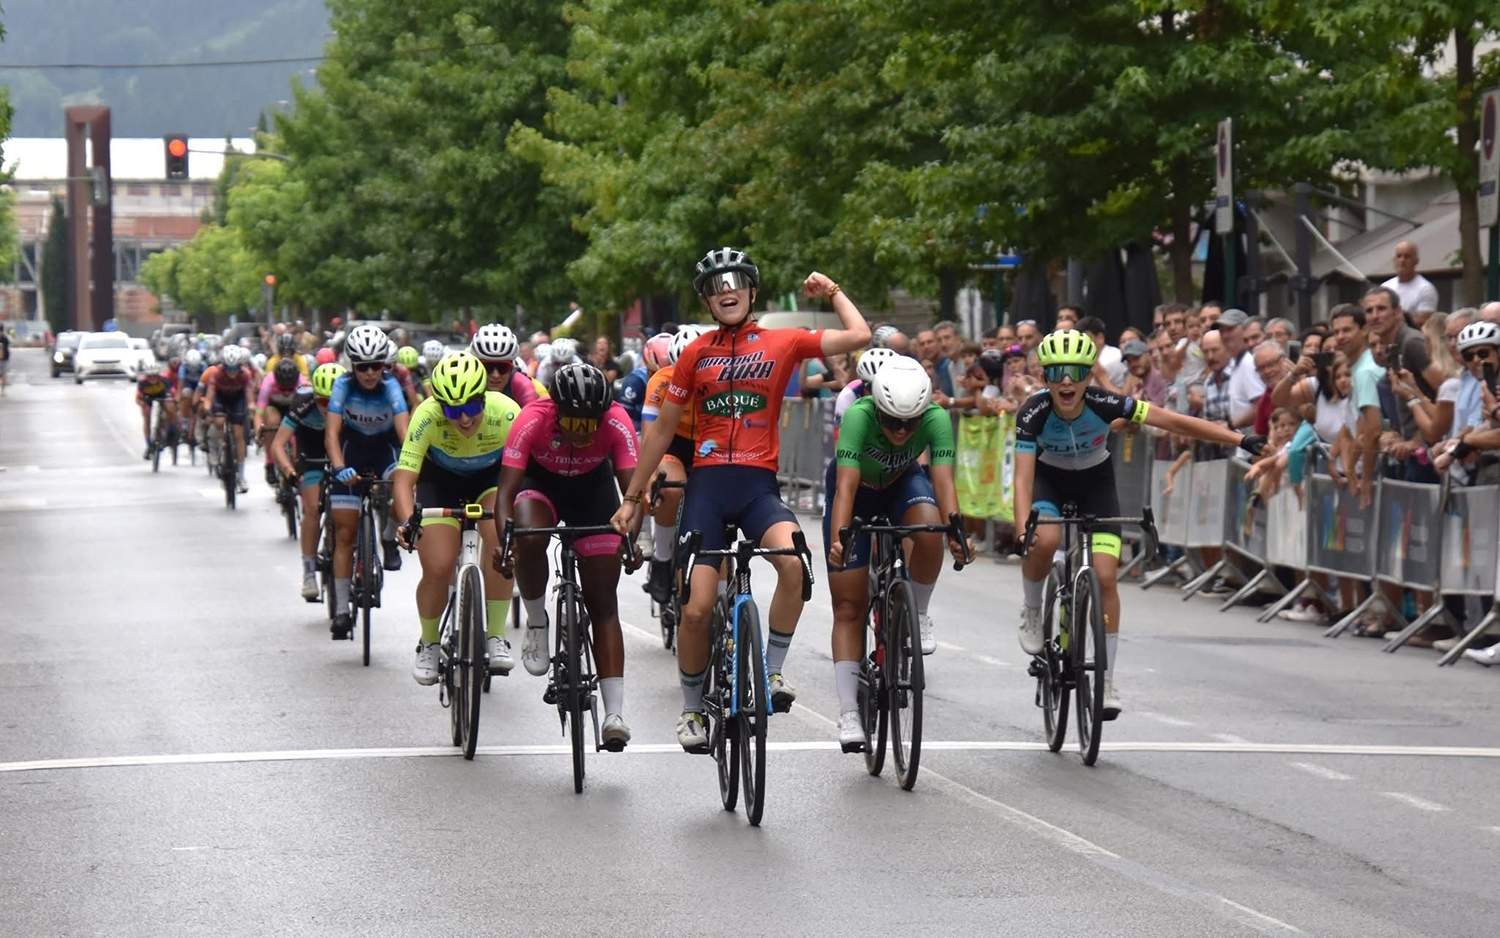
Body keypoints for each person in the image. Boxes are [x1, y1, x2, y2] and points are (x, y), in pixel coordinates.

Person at [609, 246, 871, 752]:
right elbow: (663, 431)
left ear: (752, 292)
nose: (726, 291)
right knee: (696, 609)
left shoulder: (783, 341)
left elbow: (859, 335)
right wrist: (633, 498)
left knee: (795, 563)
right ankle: (691, 711)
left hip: (757, 487)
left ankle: (771, 674)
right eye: (715, 286)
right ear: (707, 300)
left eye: (736, 283)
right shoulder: (695, 355)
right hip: (709, 488)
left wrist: (833, 291)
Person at [1013, 330, 1262, 718]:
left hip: (1097, 483)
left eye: (1076, 372)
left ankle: (1107, 680)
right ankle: (1031, 609)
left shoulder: (1105, 403)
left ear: (1088, 378)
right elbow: (1023, 478)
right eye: (1057, 372)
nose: (1066, 381)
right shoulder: (1032, 411)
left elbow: (1175, 420)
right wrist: (1019, 528)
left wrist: (1240, 439)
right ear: (1045, 377)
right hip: (1050, 481)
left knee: (1107, 576)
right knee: (1044, 542)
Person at [493, 362, 641, 749]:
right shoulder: (532, 419)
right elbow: (505, 493)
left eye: (589, 425)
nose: (581, 432)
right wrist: (505, 542)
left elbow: (632, 495)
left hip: (594, 492)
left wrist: (631, 539)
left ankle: (614, 714)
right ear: (556, 411)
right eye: (572, 424)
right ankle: (538, 620)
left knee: (604, 602)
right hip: (542, 486)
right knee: (528, 533)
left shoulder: (616, 421)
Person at [824, 357, 966, 749]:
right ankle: (849, 711)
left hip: (902, 482)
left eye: (911, 423)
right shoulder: (858, 415)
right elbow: (846, 488)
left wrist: (956, 530)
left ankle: (917, 612)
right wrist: (841, 537)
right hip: (857, 491)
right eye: (892, 422)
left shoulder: (936, 419)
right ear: (878, 408)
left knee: (930, 528)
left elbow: (944, 481)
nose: (902, 431)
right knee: (849, 607)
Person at [393, 353, 521, 681]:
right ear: (439, 405)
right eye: (452, 410)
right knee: (437, 566)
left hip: (491, 480)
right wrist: (409, 520)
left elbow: (526, 475)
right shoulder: (425, 415)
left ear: (484, 399)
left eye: (471, 408)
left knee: (502, 546)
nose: (463, 419)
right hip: (441, 482)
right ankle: (430, 642)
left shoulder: (507, 413)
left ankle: (494, 635)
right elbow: (405, 479)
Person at [324, 325, 411, 640]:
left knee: (401, 490)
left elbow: (405, 434)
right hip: (352, 451)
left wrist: (411, 465)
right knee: (345, 533)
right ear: (353, 365)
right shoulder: (343, 386)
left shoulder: (391, 387)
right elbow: (332, 433)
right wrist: (338, 467)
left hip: (385, 448)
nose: (371, 373)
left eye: (377, 365)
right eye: (363, 366)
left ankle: (388, 536)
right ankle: (342, 611)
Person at [638, 325, 709, 604]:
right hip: (673, 443)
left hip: (706, 445)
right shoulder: (661, 380)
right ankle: (662, 559)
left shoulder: (719, 381)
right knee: (671, 487)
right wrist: (649, 477)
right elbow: (650, 433)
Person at [272, 364, 346, 601]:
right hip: (311, 455)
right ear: (314, 397)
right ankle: (309, 573)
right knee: (313, 508)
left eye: (333, 402)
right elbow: (277, 445)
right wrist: (289, 472)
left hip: (340, 454)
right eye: (323, 402)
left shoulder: (351, 401)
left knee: (345, 511)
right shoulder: (302, 402)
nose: (328, 408)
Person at [199, 344, 257, 493]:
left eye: (235, 368)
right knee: (218, 422)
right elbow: (210, 393)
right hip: (220, 399)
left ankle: (242, 476)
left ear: (240, 365)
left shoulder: (245, 374)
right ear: (223, 366)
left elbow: (249, 393)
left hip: (237, 400)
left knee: (239, 434)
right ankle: (219, 448)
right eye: (229, 368)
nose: (232, 372)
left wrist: (251, 405)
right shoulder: (216, 374)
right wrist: (207, 405)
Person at [255, 358, 310, 485]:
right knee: (271, 423)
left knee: (297, 436)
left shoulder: (303, 383)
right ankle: (270, 463)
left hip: (294, 408)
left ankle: (296, 464)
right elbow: (259, 411)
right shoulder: (268, 382)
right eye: (282, 388)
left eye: (289, 389)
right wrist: (259, 430)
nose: (285, 392)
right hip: (274, 407)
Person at [470, 323, 545, 406]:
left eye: (503, 368)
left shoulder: (530, 386)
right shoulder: (467, 381)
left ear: (512, 367)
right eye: (488, 367)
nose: (496, 375)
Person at [1382, 241, 1439, 320]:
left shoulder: (1426, 289)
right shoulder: (1385, 287)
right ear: (1394, 260)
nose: (1402, 260)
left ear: (1416, 261)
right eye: (1399, 256)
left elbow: (1422, 322)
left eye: (1407, 256)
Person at [135, 363, 178, 457]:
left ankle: (171, 430)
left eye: (155, 376)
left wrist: (173, 400)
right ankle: (149, 444)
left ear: (158, 376)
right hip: (148, 399)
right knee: (146, 416)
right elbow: (137, 399)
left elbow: (173, 393)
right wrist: (142, 404)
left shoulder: (164, 380)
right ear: (146, 376)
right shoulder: (142, 383)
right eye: (150, 377)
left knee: (170, 407)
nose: (152, 379)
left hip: (163, 396)